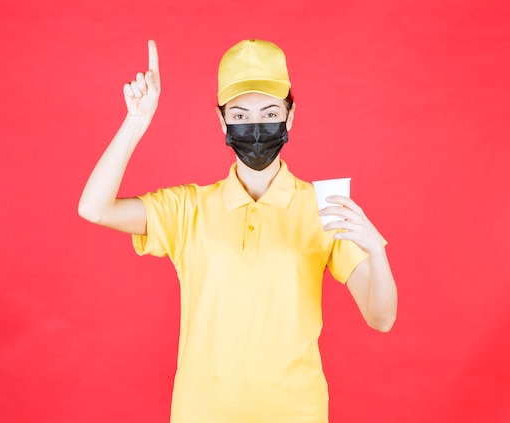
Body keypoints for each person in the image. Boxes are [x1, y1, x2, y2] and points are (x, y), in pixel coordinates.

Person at [79, 39, 397, 423]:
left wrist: (376, 253)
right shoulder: (187, 208)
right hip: (202, 412)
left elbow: (381, 318)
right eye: (240, 115)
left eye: (269, 112)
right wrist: (135, 122)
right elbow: (94, 208)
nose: (256, 127)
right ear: (222, 121)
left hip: (297, 412)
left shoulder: (323, 206)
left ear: (290, 116)